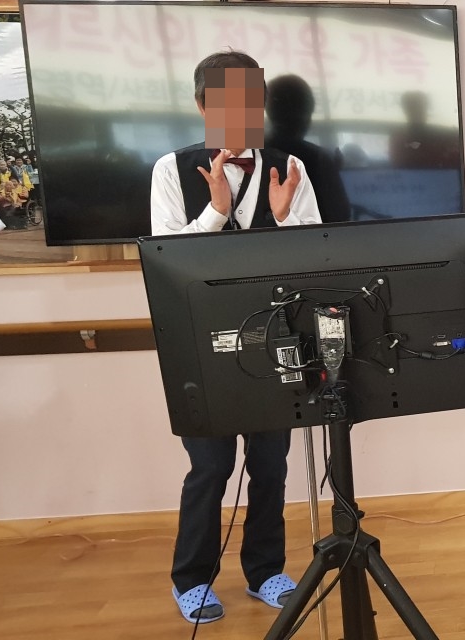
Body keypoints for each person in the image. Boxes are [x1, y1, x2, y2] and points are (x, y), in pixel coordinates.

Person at [149, 49, 321, 624]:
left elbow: (318, 256)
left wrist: (285, 217)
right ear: (202, 106)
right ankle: (192, 579)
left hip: (277, 340)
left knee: (271, 463)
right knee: (210, 466)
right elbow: (166, 263)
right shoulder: (169, 170)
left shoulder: (290, 166)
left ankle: (266, 570)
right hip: (199, 346)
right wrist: (216, 212)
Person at [265, 74, 352, 223]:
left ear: (269, 112)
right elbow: (341, 217)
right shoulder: (319, 160)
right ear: (306, 115)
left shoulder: (243, 156)